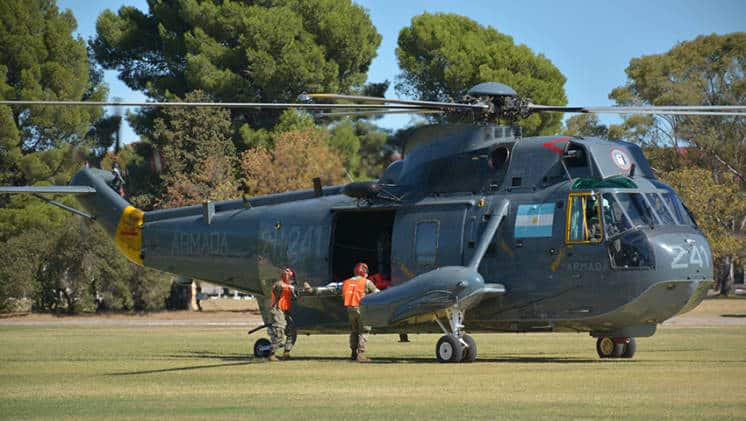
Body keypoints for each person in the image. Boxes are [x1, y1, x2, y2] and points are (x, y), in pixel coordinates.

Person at [304, 262, 379, 362]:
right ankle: (361, 354)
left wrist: (313, 290)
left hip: (350, 309)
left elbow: (330, 290)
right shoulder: (367, 282)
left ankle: (353, 353)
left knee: (354, 331)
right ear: (365, 272)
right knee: (364, 331)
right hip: (362, 309)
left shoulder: (346, 282)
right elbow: (378, 294)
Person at [268, 268, 299, 361]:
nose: (291, 279)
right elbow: (279, 287)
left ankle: (286, 353)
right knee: (279, 332)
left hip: (286, 310)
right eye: (290, 277)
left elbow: (296, 295)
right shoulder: (279, 285)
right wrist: (290, 286)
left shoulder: (290, 287)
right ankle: (271, 354)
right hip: (278, 310)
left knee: (292, 331)